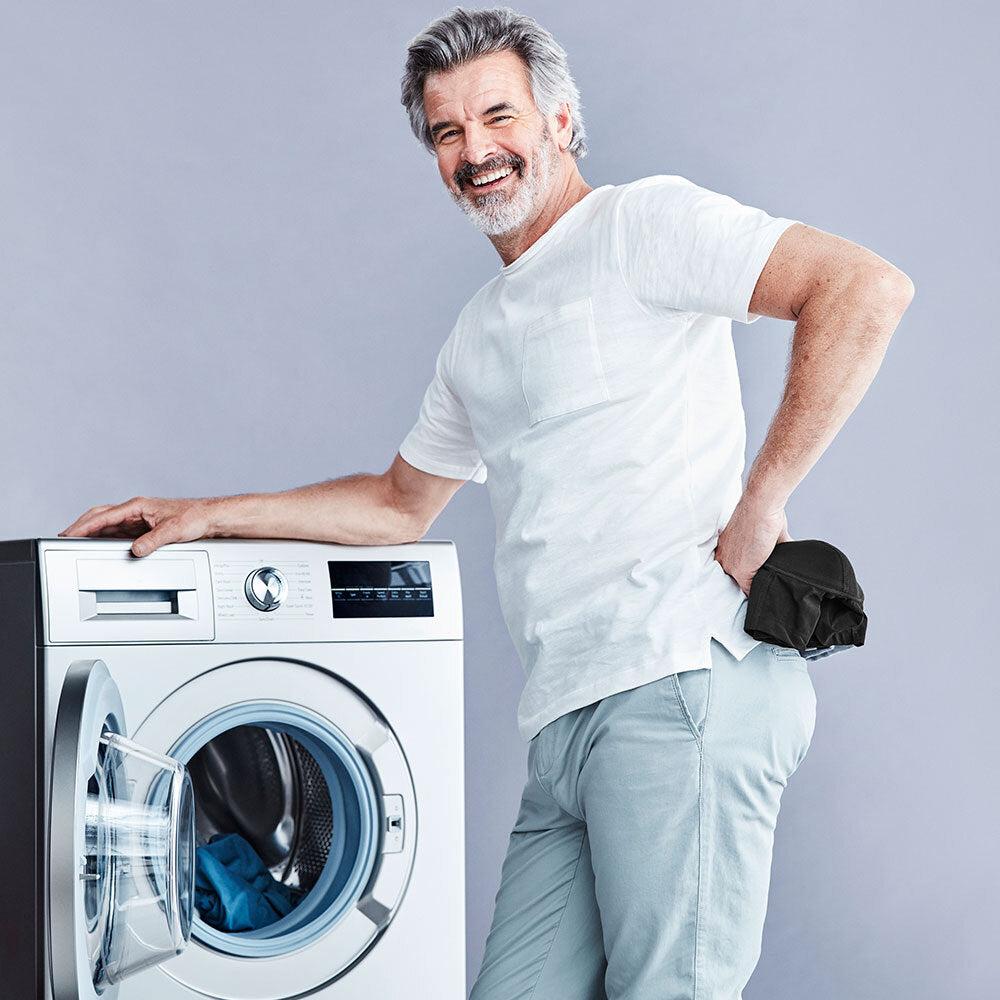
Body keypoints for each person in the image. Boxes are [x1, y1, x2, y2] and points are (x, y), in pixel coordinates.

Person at [61, 7, 914, 998]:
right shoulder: (480, 331)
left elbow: (860, 288)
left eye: (497, 117)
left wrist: (765, 496)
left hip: (681, 677)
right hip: (566, 723)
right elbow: (396, 504)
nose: (476, 151)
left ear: (558, 121)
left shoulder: (642, 224)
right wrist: (206, 514)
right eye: (447, 131)